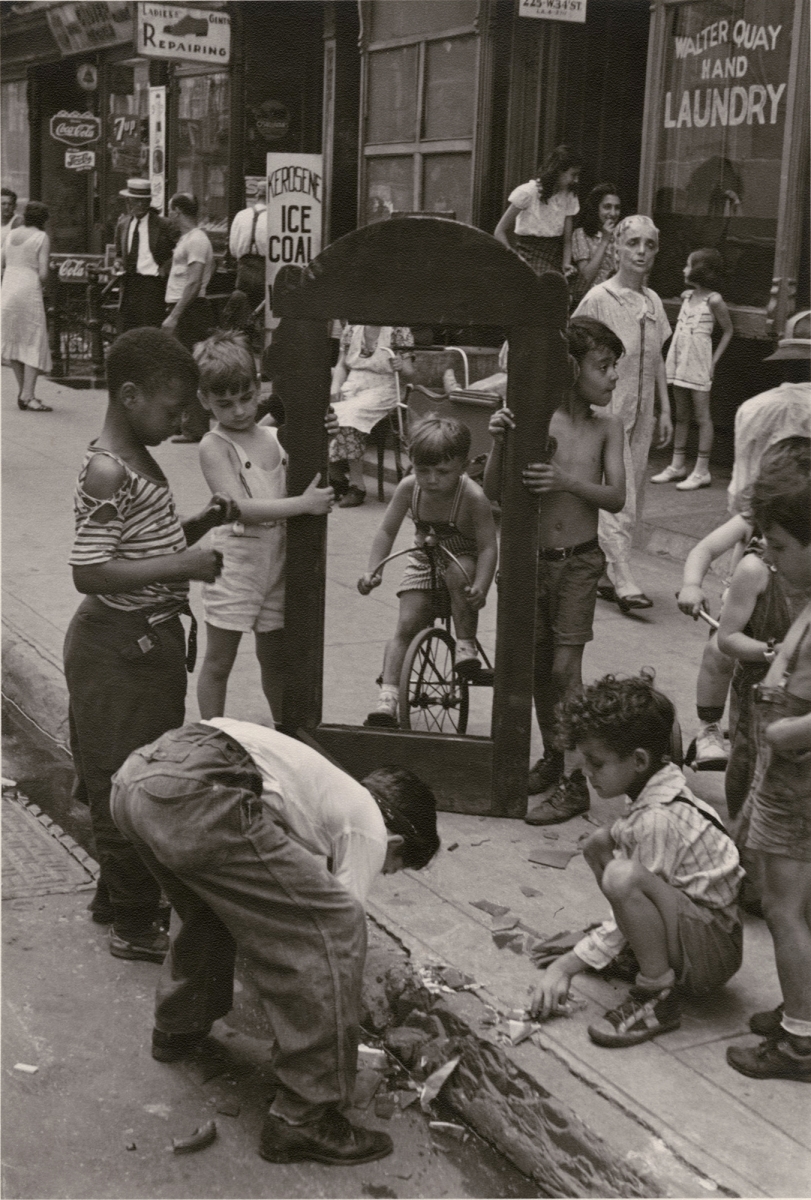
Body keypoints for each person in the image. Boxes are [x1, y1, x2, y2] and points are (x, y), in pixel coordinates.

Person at [109, 717, 440, 1164]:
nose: (385, 869)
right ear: (395, 840)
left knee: (211, 906)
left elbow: (279, 899)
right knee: (338, 927)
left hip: (139, 779)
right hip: (197, 792)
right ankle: (304, 1119)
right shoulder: (369, 827)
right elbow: (334, 931)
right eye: (394, 865)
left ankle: (178, 1029)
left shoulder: (316, 788)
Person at [63, 327, 238, 961]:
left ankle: (117, 897)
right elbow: (89, 571)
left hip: (141, 644)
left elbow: (139, 545)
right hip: (118, 649)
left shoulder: (134, 458)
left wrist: (200, 524)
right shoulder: (109, 468)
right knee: (124, 786)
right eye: (172, 409)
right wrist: (184, 568)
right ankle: (135, 923)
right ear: (130, 395)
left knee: (128, 772)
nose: (181, 421)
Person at [530, 674, 743, 1048]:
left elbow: (633, 886)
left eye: (596, 764)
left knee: (621, 877)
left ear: (639, 760)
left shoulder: (656, 819)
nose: (586, 773)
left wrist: (569, 964)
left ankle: (657, 994)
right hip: (692, 927)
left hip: (712, 953)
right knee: (598, 844)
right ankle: (642, 954)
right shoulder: (653, 787)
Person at [484, 317, 626, 822]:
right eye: (603, 366)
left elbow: (616, 495)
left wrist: (566, 481)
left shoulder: (607, 427)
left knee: (567, 671)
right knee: (540, 669)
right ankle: (553, 754)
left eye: (614, 367)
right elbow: (495, 491)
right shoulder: (534, 420)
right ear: (571, 369)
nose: (612, 378)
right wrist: (500, 440)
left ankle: (576, 780)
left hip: (580, 564)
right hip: (532, 564)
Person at [676, 311, 811, 770]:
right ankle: (710, 729)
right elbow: (717, 536)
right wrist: (693, 584)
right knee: (721, 648)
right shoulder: (760, 528)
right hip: (763, 568)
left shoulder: (755, 409)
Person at [194, 331, 334, 723]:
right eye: (225, 403)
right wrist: (303, 505)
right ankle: (211, 733)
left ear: (260, 388)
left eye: (246, 397)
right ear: (205, 400)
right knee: (220, 660)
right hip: (236, 564)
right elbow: (236, 507)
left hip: (277, 562)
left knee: (274, 658)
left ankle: (285, 731)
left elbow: (310, 456)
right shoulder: (214, 444)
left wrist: (325, 430)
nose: (239, 411)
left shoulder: (273, 436)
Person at [726, 439, 811, 1083]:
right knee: (794, 906)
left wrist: (785, 735)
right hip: (786, 772)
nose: (772, 560)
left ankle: (802, 1041)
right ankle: (801, 1009)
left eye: (781, 547)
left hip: (800, 775)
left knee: (783, 908)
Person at [359, 416, 498, 727]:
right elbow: (386, 530)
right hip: (424, 558)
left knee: (458, 573)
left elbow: (488, 546)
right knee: (406, 623)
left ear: (462, 466)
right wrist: (373, 571)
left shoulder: (473, 498)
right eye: (423, 470)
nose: (432, 479)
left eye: (442, 471)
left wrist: (482, 587)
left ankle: (465, 645)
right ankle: (388, 697)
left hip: (463, 557)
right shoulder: (410, 489)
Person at [573, 215, 673, 612]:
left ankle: (603, 569)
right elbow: (576, 346)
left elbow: (657, 359)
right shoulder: (600, 299)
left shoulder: (652, 302)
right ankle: (623, 576)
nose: (641, 252)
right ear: (616, 247)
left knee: (635, 488)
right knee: (621, 488)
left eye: (649, 245)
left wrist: (666, 409)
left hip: (642, 409)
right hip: (610, 406)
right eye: (633, 243)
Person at [653, 248, 733, 491]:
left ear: (701, 269)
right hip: (680, 359)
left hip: (699, 361)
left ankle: (701, 471)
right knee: (681, 415)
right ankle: (677, 465)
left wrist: (713, 362)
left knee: (702, 416)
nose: (684, 270)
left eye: (688, 265)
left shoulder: (715, 300)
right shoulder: (687, 296)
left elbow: (728, 331)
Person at [329, 324, 415, 508]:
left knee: (350, 415)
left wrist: (401, 367)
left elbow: (410, 374)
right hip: (354, 384)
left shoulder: (398, 330)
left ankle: (357, 485)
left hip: (385, 388)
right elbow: (342, 364)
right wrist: (335, 386)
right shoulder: (351, 329)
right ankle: (336, 479)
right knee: (327, 411)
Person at [163, 192, 215, 443]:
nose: (169, 217)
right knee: (180, 367)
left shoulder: (197, 239)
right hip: (184, 307)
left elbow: (194, 282)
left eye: (171, 211)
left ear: (177, 211)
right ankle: (184, 421)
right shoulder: (188, 239)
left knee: (190, 368)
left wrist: (175, 315)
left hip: (191, 310)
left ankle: (195, 426)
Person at [494, 145, 581, 278]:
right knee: (548, 284)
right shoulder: (529, 192)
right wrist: (514, 260)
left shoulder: (569, 196)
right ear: (558, 171)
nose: (576, 180)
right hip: (530, 252)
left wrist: (566, 263)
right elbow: (499, 231)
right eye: (573, 174)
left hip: (555, 254)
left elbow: (567, 239)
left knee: (579, 285)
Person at [1, 200, 53, 412]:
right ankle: (29, 395)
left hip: (9, 288)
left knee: (13, 341)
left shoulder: (11, 234)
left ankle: (24, 392)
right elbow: (42, 273)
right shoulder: (41, 237)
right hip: (28, 290)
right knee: (33, 340)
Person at [114, 178, 176, 332]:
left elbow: (182, 247)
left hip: (153, 285)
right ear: (128, 202)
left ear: (150, 202)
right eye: (136, 201)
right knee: (128, 329)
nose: (140, 205)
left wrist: (166, 266)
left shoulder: (163, 224)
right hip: (129, 284)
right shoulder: (123, 225)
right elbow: (119, 254)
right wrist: (118, 263)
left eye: (145, 201)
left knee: (150, 329)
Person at [569, 182, 621, 308]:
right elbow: (586, 277)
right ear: (596, 208)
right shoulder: (581, 234)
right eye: (607, 207)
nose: (613, 213)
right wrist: (604, 240)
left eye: (617, 208)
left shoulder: (622, 235)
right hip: (591, 302)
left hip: (617, 300)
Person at [228, 178, 268, 312]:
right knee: (262, 309)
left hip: (244, 270)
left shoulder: (241, 215)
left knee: (243, 309)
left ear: (257, 195)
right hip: (265, 269)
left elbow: (233, 250)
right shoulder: (274, 217)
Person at [1, 186, 22, 251]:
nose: (6, 207)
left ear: (15, 206)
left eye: (10, 204)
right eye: (3, 204)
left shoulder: (19, 222)